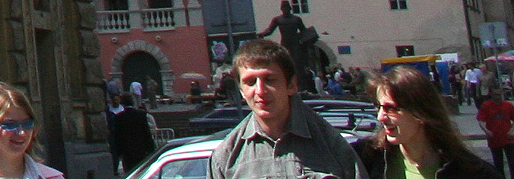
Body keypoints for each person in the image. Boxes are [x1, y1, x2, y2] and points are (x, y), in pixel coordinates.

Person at [208, 39, 361, 179]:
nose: (260, 91)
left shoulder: (331, 144)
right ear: (241, 90)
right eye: (251, 82)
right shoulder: (226, 158)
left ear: (291, 85)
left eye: (269, 80)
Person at [356, 63, 493, 179]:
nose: (381, 117)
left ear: (420, 112)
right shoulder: (363, 159)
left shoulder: (475, 172)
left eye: (391, 108)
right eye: (379, 107)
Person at [475, 83, 513, 179]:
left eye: (500, 94)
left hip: (508, 139)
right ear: (491, 95)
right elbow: (481, 120)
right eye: (496, 94)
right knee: (498, 163)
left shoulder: (508, 105)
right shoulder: (486, 106)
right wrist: (486, 131)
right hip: (494, 139)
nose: (498, 97)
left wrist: (512, 131)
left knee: (512, 162)